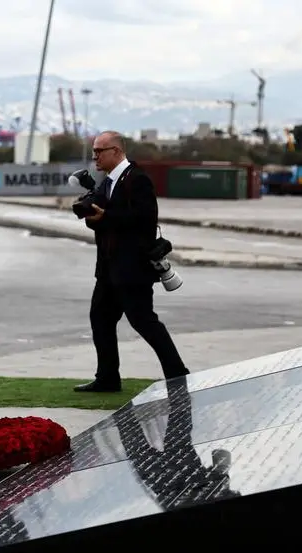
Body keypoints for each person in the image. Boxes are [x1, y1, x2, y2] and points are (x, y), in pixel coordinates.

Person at [75, 131, 189, 393]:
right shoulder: (107, 182)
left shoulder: (137, 180)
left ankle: (178, 374)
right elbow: (107, 222)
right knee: (101, 319)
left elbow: (145, 219)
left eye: (99, 151)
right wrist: (94, 218)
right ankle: (107, 378)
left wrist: (107, 217)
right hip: (108, 269)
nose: (95, 157)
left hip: (132, 269)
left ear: (116, 151)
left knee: (143, 321)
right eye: (94, 151)